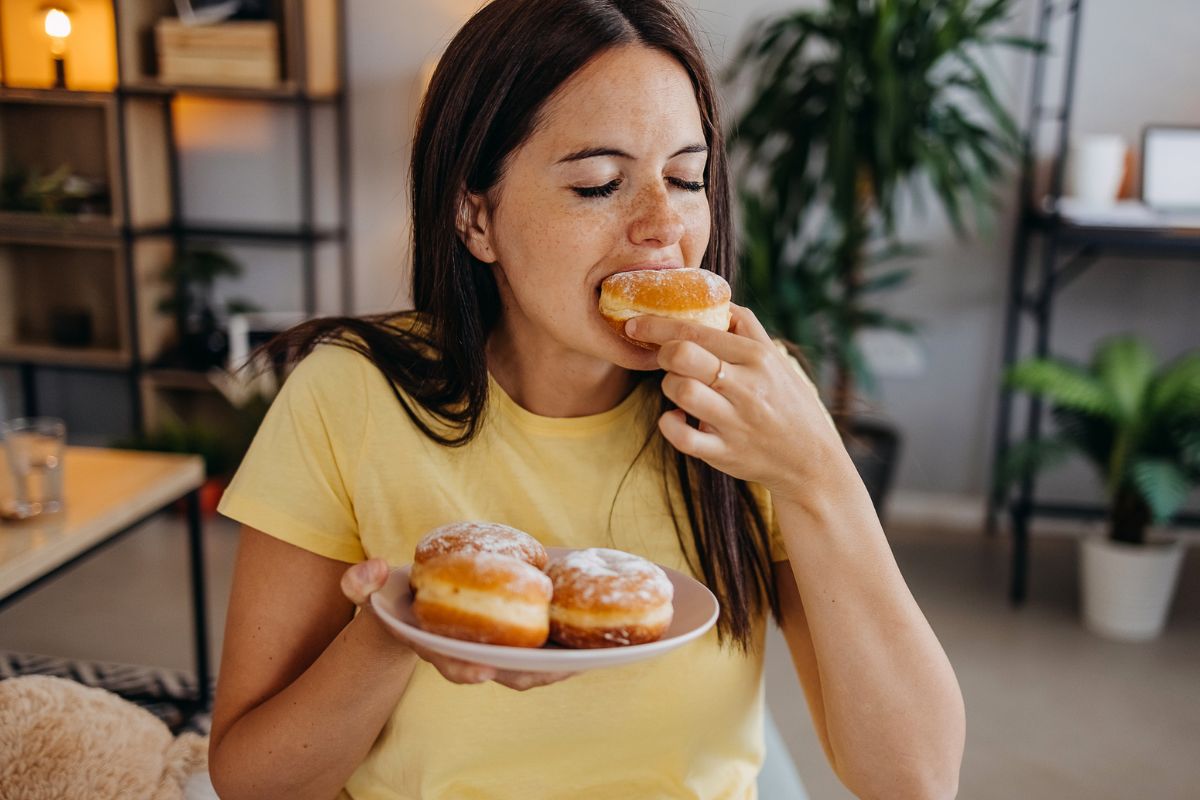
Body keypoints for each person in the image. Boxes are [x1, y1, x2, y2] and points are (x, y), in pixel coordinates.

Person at [207, 1, 966, 798]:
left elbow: (914, 781)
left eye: (685, 177)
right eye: (600, 184)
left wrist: (817, 474)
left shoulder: (753, 407)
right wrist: (393, 633)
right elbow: (254, 784)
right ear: (475, 216)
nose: (662, 226)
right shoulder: (348, 395)